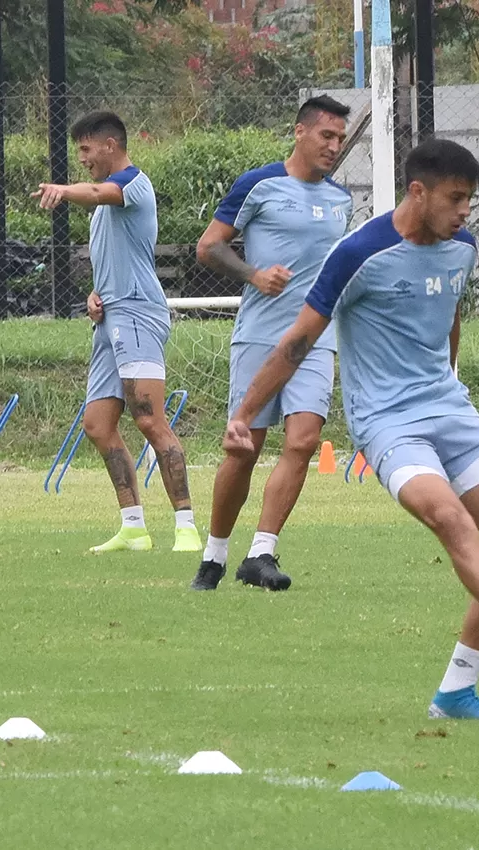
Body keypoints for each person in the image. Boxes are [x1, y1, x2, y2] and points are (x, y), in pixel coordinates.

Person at [222, 139, 479, 719]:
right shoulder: (357, 253)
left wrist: (454, 380)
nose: (466, 211)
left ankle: (457, 691)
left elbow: (450, 318)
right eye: (456, 199)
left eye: (470, 200)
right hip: (387, 423)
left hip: (451, 410)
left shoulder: (462, 247)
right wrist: (243, 415)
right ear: (418, 192)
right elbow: (299, 340)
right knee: (450, 519)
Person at [190, 96, 354, 592]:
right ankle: (214, 554)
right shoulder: (259, 184)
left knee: (303, 441)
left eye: (341, 138)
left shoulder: (342, 199)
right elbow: (208, 246)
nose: (334, 145)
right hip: (260, 336)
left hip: (314, 340)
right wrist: (254, 274)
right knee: (245, 448)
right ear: (300, 132)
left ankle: (261, 551)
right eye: (326, 135)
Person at [34, 111, 199, 555]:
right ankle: (134, 528)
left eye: (86, 150)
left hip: (139, 314)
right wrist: (94, 294)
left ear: (110, 145)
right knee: (98, 424)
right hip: (110, 317)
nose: (82, 159)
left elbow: (95, 192)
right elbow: (115, 256)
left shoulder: (132, 185)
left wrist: (63, 191)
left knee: (148, 417)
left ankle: (186, 527)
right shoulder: (106, 203)